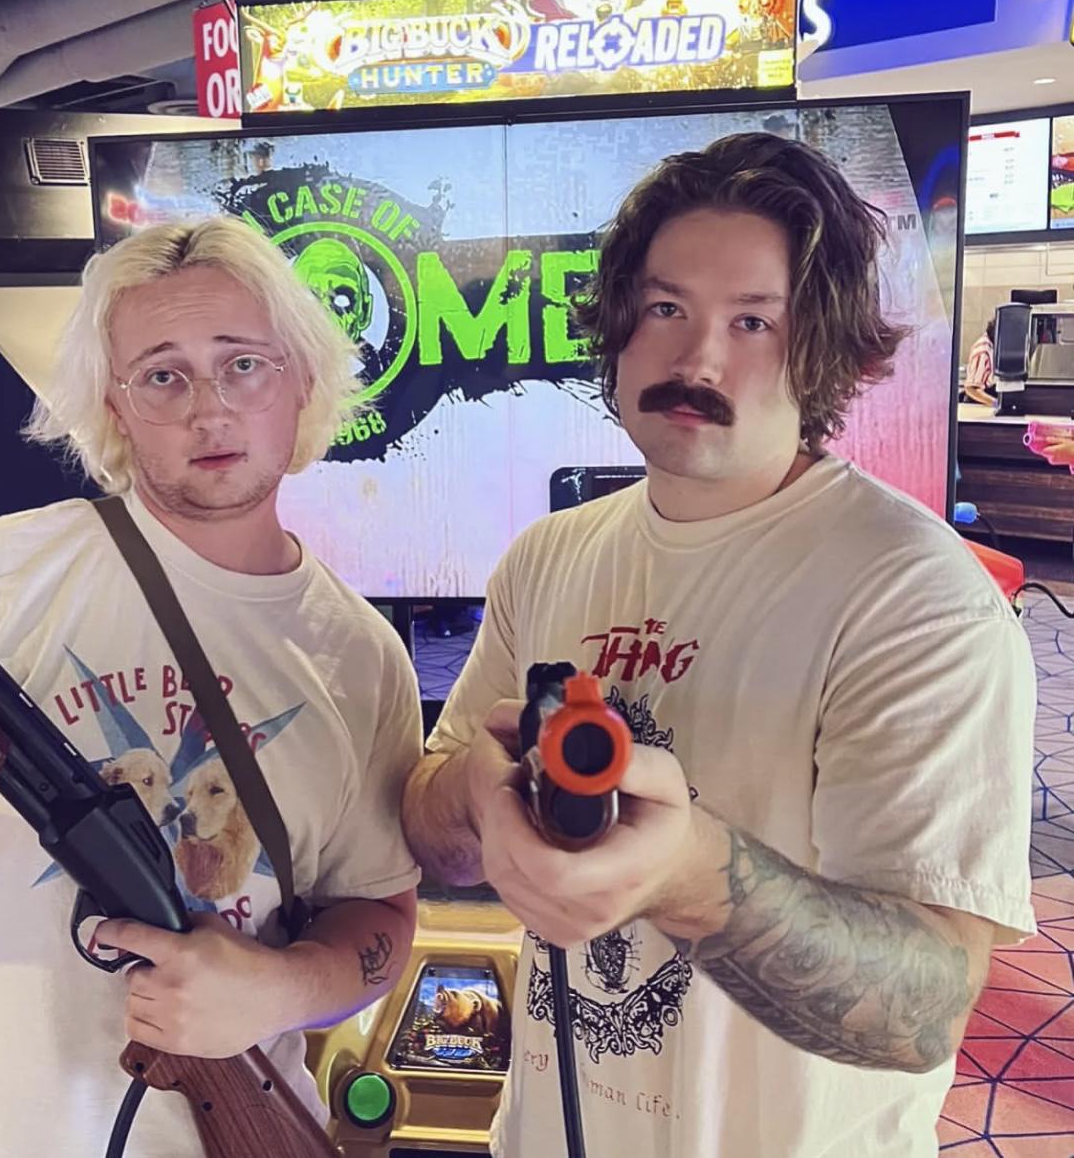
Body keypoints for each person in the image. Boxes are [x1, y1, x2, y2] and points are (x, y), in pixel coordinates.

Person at [401, 133, 1035, 1158]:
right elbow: (430, 818)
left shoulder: (916, 597)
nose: (696, 359)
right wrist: (479, 795)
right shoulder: (547, 557)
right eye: (665, 309)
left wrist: (690, 872)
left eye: (753, 322)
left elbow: (923, 1012)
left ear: (821, 350)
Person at [0, 216, 422, 1156]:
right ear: (114, 406)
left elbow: (379, 917)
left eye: (244, 364)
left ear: (304, 382)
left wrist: (282, 990)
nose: (208, 409)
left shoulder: (361, 655)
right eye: (162, 375)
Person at [964, 316, 995, 406]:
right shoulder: (983, 351)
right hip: (977, 402)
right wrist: (995, 403)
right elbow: (971, 389)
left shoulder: (992, 346)